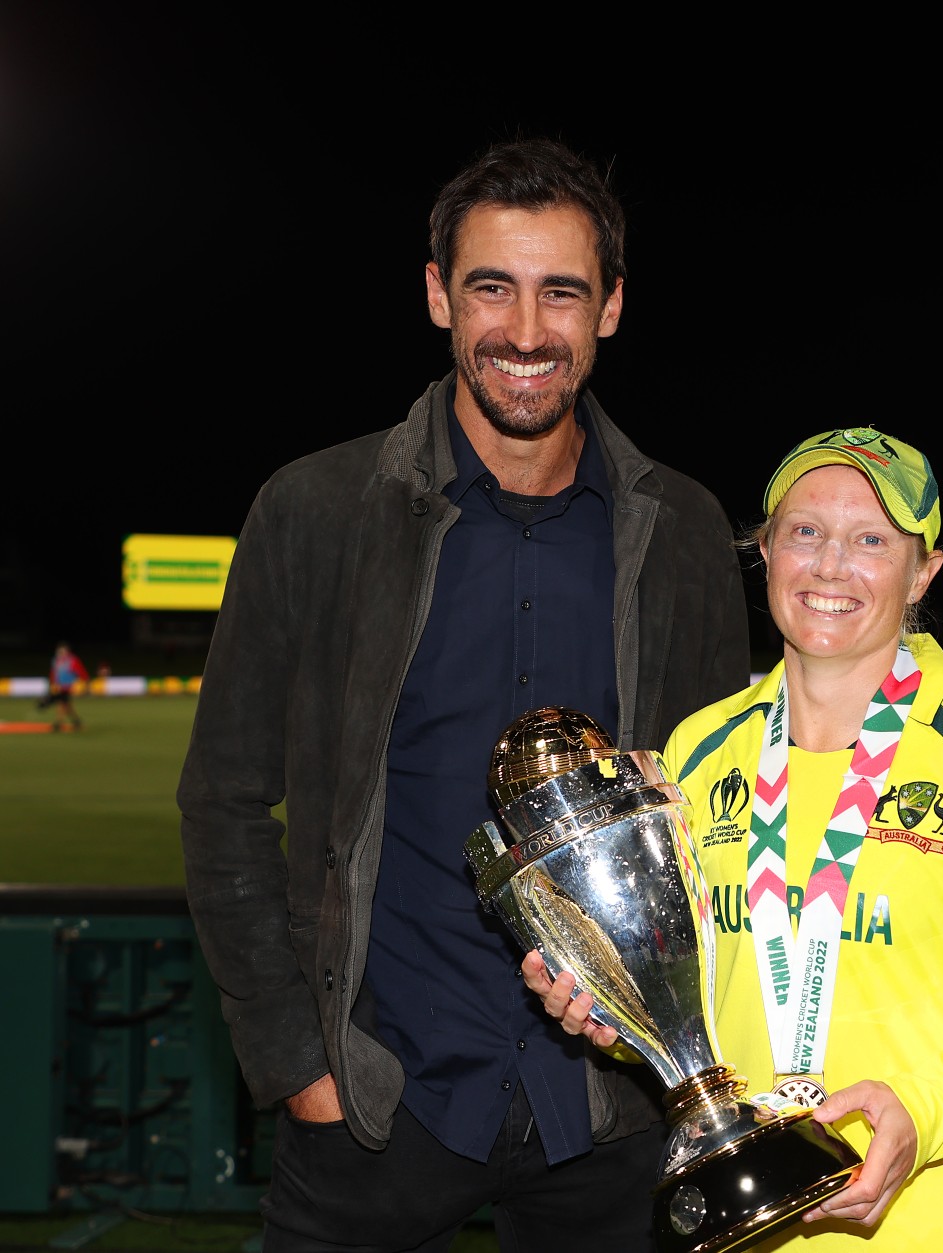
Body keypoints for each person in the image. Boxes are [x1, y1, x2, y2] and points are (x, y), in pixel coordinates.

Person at [177, 137, 751, 1252]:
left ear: (611, 307)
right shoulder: (314, 509)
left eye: (561, 292)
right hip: (377, 1102)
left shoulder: (681, 527)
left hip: (612, 1109)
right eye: (492, 287)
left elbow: (711, 815)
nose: (526, 331)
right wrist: (297, 1064)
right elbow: (224, 800)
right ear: (439, 295)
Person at [525, 426, 943, 1251]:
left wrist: (927, 1112)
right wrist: (622, 1015)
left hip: (941, 1226)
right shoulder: (698, 751)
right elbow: (704, 995)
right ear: (765, 551)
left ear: (922, 572)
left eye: (871, 540)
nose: (829, 565)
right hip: (742, 1225)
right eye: (805, 531)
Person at [35, 640, 88, 731]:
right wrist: (52, 682)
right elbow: (53, 673)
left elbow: (81, 671)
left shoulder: (72, 660)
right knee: (65, 704)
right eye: (59, 651)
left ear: (67, 651)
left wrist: (85, 682)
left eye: (63, 651)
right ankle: (76, 722)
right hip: (59, 686)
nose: (61, 653)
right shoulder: (55, 660)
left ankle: (58, 723)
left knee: (61, 703)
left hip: (68, 686)